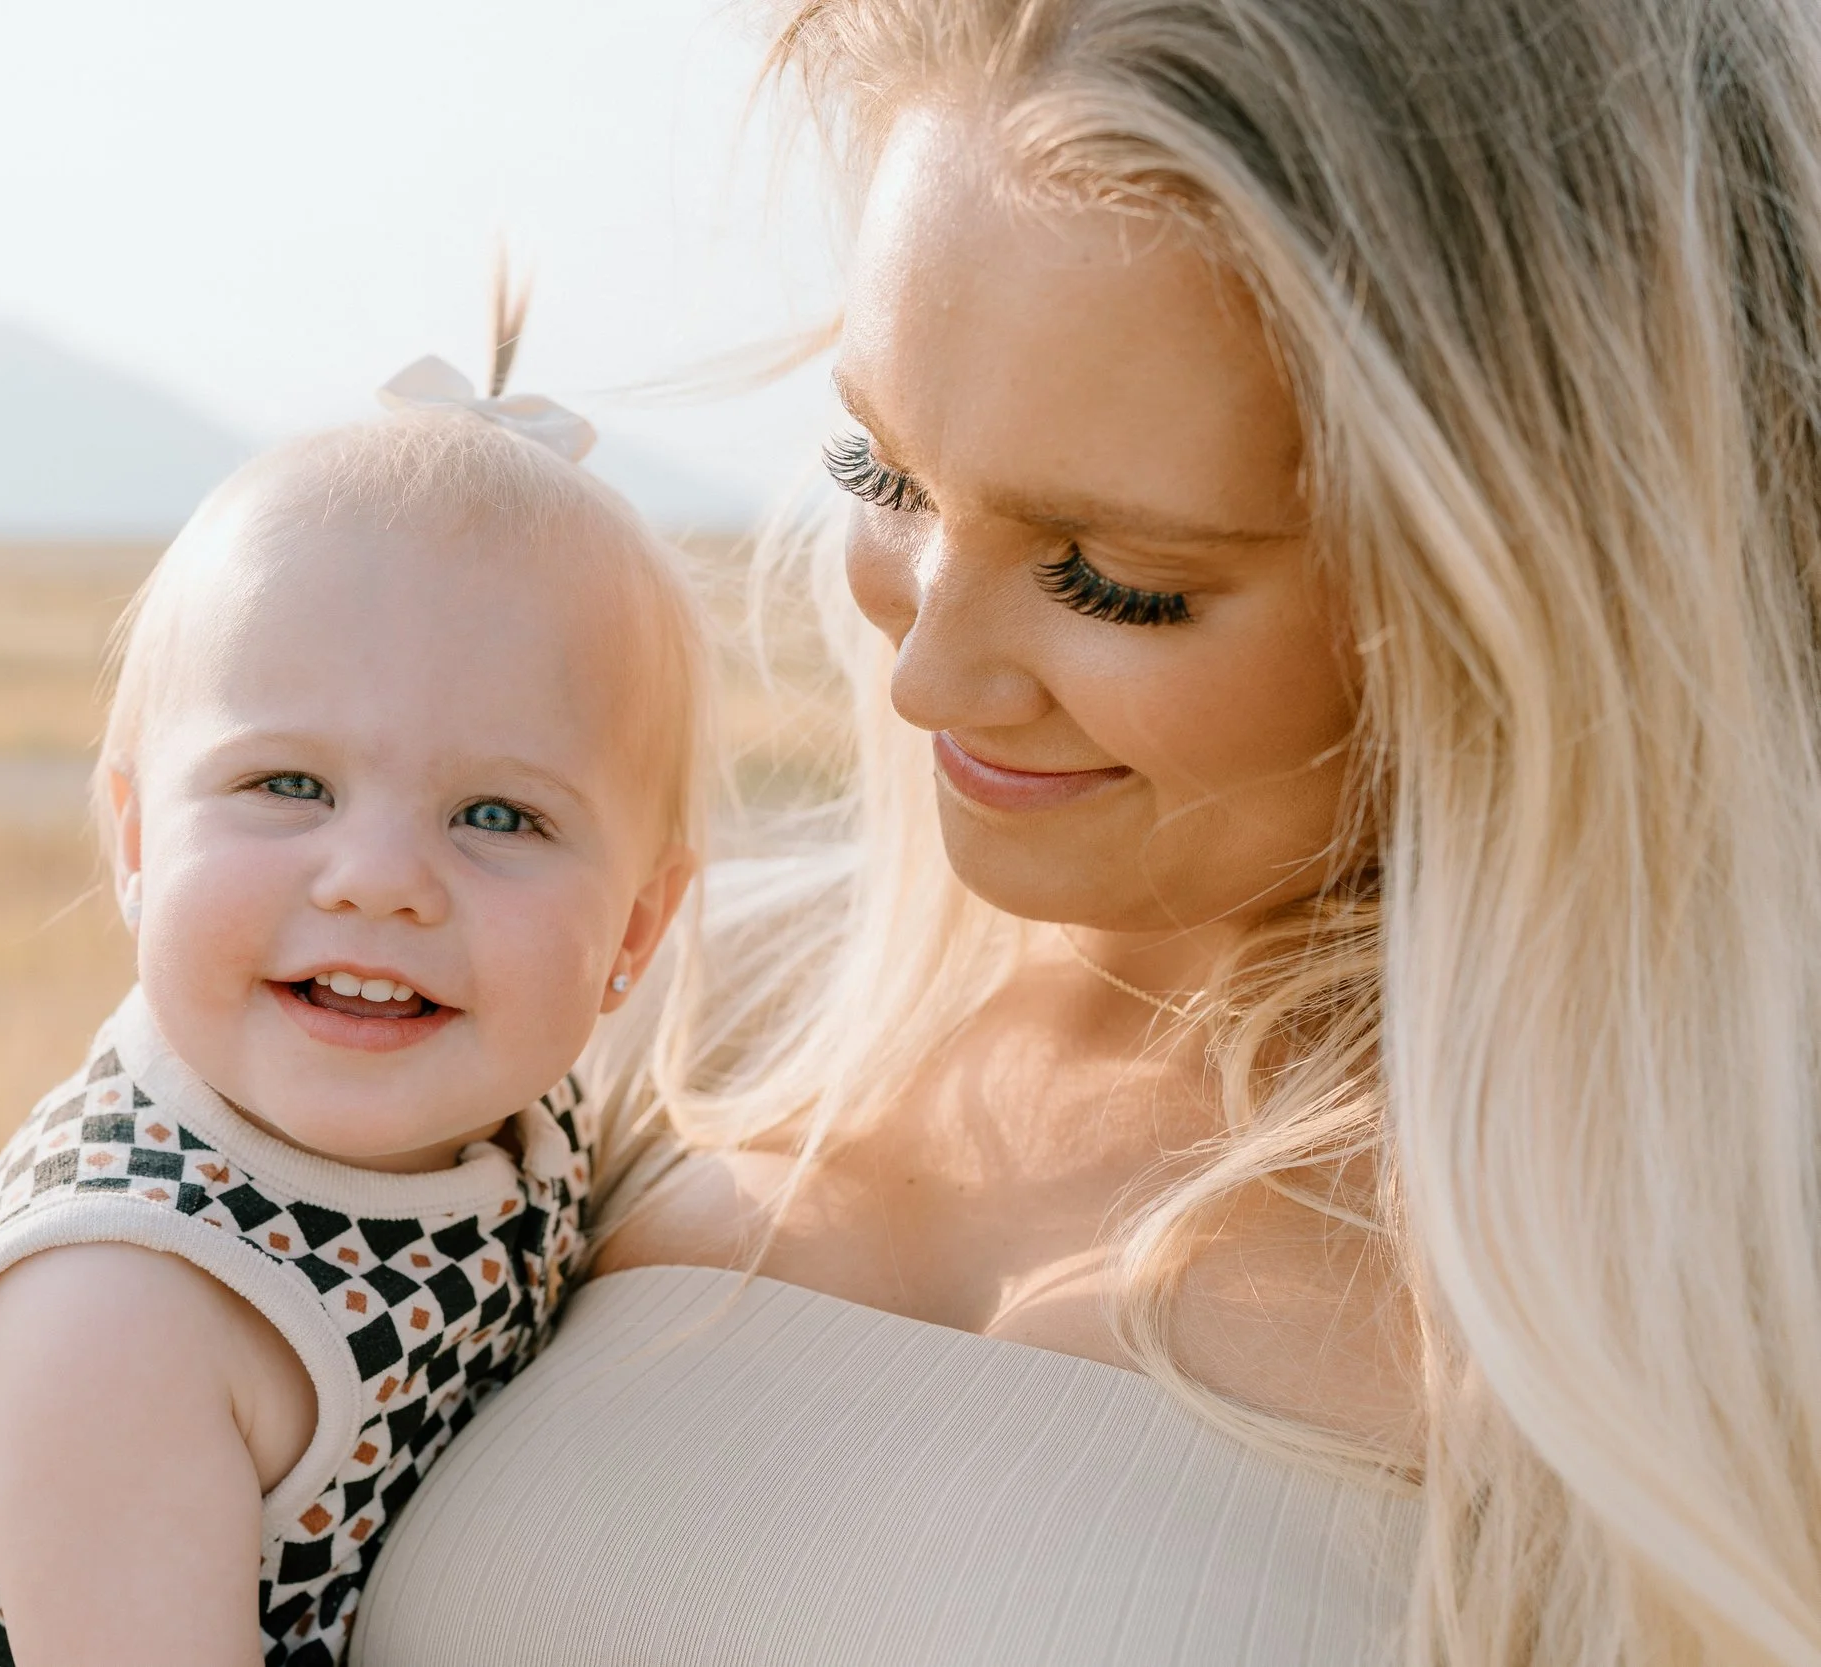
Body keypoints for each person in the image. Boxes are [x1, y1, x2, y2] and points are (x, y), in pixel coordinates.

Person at [349, 1, 1821, 1663]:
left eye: (1120, 578)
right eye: (882, 467)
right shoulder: (606, 992)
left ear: (1551, 583)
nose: (925, 674)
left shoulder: (1724, 1286)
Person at [0, 336, 705, 1667]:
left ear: (634, 924)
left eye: (498, 814)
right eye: (288, 785)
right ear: (135, 838)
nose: (381, 879)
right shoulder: (123, 1312)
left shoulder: (524, 1108)